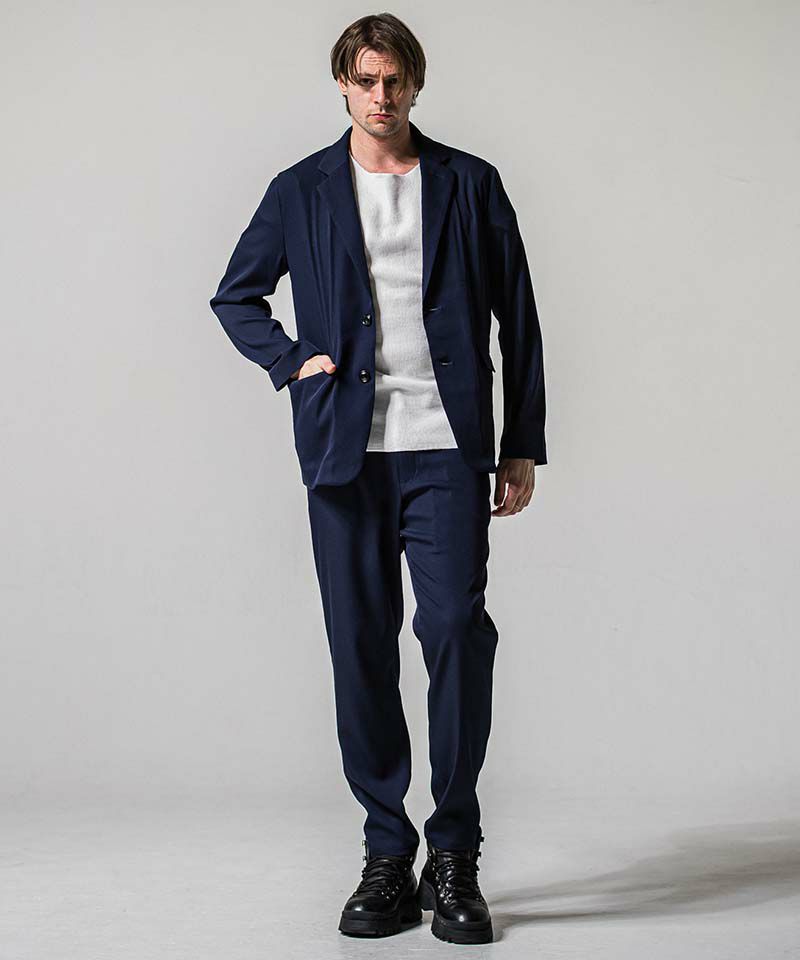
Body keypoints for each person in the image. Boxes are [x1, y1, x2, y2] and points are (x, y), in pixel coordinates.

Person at [209, 12, 547, 946]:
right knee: (359, 648)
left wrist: (521, 439)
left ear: (415, 84)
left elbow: (518, 315)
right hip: (345, 453)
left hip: (447, 448)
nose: (381, 96)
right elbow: (236, 295)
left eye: (395, 80)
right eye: (366, 80)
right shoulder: (302, 189)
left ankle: (455, 853)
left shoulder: (469, 183)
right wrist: (292, 362)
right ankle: (387, 855)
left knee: (454, 631)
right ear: (344, 85)